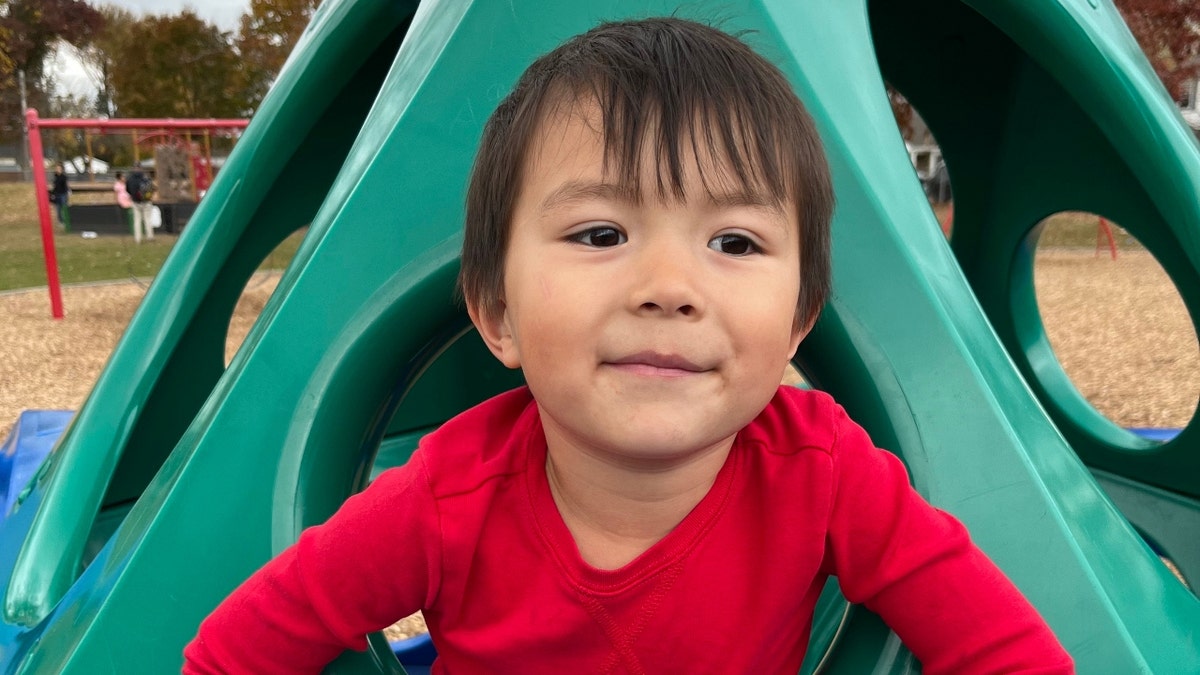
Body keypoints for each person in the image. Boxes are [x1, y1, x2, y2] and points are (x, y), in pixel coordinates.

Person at [185, 18, 1073, 674]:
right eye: (602, 232)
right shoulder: (445, 500)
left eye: (733, 243)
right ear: (497, 313)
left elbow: (1008, 652)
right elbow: (233, 654)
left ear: (798, 322)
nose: (668, 285)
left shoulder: (825, 471)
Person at [126, 168, 155, 243]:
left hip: (135, 202)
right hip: (146, 201)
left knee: (137, 220)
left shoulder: (130, 179)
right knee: (147, 219)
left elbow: (127, 190)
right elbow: (152, 188)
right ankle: (150, 236)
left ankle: (138, 238)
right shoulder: (145, 178)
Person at [112, 171, 138, 240]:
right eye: (122, 176)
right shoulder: (117, 185)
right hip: (122, 200)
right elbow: (116, 194)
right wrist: (116, 201)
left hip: (129, 199)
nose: (124, 178)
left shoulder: (126, 184)